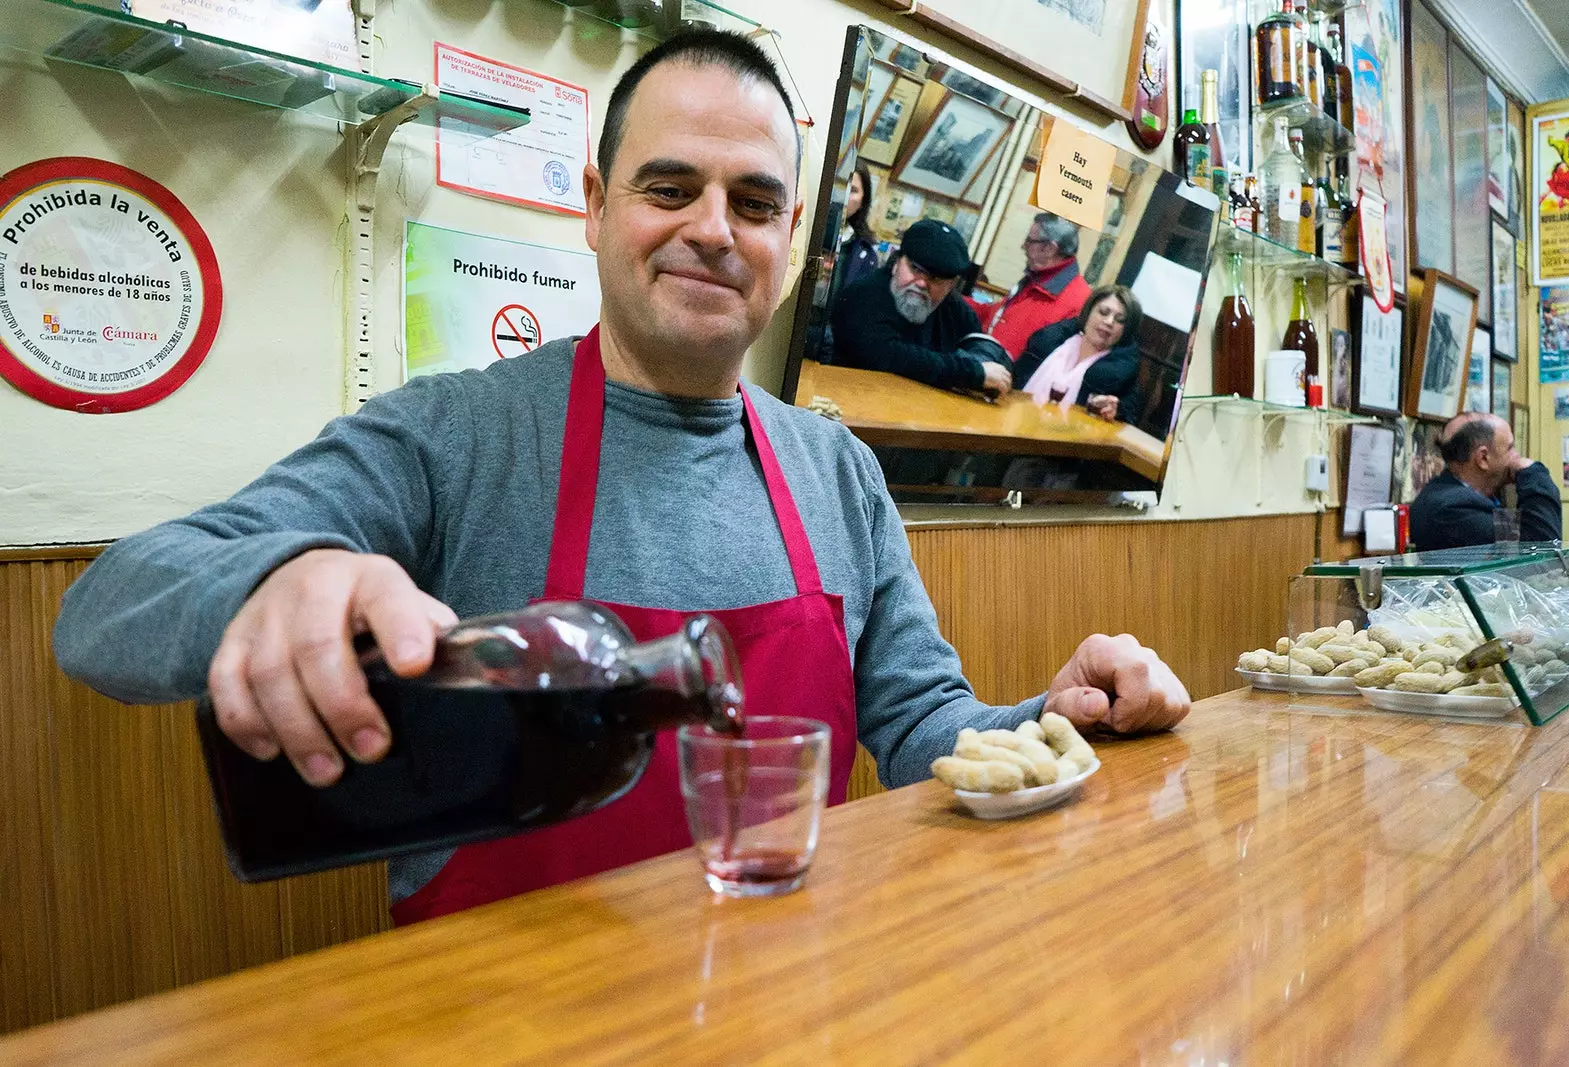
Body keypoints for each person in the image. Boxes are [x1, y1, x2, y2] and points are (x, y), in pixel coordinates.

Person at [51, 31, 1190, 925]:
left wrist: (1054, 718)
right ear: (595, 207)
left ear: (789, 236)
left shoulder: (834, 464)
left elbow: (922, 720)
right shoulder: (456, 436)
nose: (711, 229)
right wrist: (288, 572)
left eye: (751, 203)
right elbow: (105, 605)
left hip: (795, 993)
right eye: (668, 187)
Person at [830, 218, 1012, 395]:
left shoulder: (955, 309)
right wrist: (971, 373)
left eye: (936, 278)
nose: (922, 283)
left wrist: (982, 371)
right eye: (916, 269)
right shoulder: (863, 293)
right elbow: (885, 354)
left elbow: (987, 358)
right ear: (897, 263)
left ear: (951, 285)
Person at [1410, 412, 1562, 551]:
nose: (1516, 456)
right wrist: (1533, 473)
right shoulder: (1452, 509)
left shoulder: (1452, 494)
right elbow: (1543, 548)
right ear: (1483, 458)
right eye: (1510, 448)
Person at [1012, 285, 1144, 424]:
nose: (1109, 322)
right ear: (1088, 313)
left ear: (1126, 330)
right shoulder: (1048, 342)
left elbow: (1127, 418)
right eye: (1103, 312)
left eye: (1120, 320)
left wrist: (1116, 413)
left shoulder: (1123, 372)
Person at [980, 212, 1092, 359]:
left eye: (1029, 240)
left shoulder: (1079, 303)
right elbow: (996, 317)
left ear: (1050, 249)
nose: (1023, 246)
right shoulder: (1036, 278)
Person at [832, 162, 879, 296]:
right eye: (839, 186)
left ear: (863, 201)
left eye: (852, 190)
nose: (843, 195)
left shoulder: (867, 254)